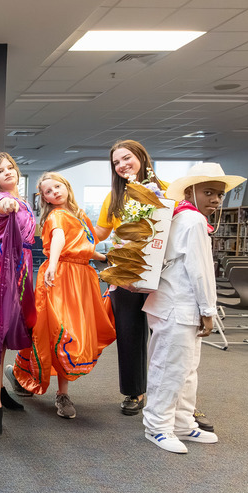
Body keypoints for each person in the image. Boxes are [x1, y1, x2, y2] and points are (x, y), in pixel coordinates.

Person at [142, 163, 243, 453]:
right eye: (208, 192)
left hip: (175, 304)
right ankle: (158, 426)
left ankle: (183, 422)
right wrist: (208, 310)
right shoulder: (193, 221)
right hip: (179, 305)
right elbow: (201, 271)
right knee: (171, 368)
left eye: (220, 195)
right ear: (190, 192)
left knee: (186, 369)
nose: (215, 200)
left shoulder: (179, 217)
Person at [7, 172, 115, 419]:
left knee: (69, 330)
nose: (54, 191)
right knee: (59, 331)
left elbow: (82, 248)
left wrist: (106, 257)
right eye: (48, 191)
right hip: (61, 277)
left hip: (82, 278)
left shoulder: (79, 215)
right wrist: (53, 265)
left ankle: (23, 375)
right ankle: (58, 392)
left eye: (57, 186)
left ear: (66, 186)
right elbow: (58, 239)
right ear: (44, 198)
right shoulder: (56, 216)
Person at [94, 140, 165, 416]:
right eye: (116, 162)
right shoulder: (115, 197)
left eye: (127, 158)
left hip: (161, 271)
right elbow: (99, 233)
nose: (122, 165)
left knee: (164, 334)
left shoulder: (167, 190)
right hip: (125, 272)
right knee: (129, 332)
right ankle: (134, 392)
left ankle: (167, 391)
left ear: (141, 157)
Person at [0, 152, 37, 437]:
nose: (8, 173)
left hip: (21, 266)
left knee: (13, 327)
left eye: (11, 167)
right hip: (2, 264)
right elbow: (1, 205)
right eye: (1, 171)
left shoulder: (23, 201)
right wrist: (6, 202)